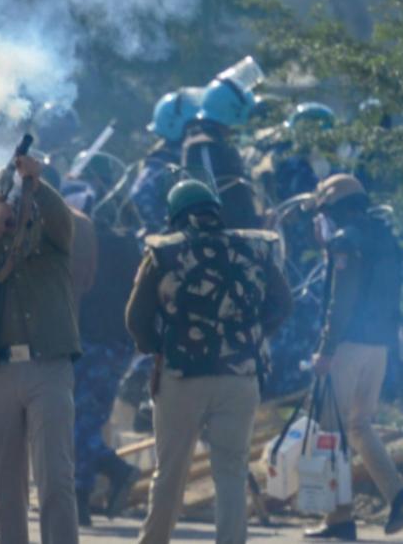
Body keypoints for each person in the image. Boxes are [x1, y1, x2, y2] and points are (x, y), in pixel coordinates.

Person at [126, 179, 292, 544]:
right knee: (231, 471)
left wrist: (158, 348)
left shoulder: (163, 251)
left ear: (176, 216)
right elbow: (283, 303)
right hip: (240, 376)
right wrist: (252, 338)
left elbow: (136, 318)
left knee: (170, 472)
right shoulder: (255, 247)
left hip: (181, 377)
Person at [0, 153, 81, 544]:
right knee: (6, 485)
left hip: (49, 367)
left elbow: (64, 225)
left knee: (55, 478)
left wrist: (37, 186)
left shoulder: (49, 238)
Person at [304, 174, 403, 540]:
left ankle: (339, 520)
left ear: (333, 208)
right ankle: (397, 494)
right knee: (360, 425)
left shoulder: (346, 242)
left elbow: (342, 301)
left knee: (331, 431)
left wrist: (326, 347)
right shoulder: (384, 238)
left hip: (347, 347)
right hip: (379, 347)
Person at [73, 181, 142, 527]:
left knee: (80, 425)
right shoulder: (128, 244)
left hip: (94, 344)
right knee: (84, 423)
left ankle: (84, 498)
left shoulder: (90, 243)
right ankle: (108, 475)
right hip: (114, 345)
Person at [182, 77, 262, 230]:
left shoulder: (218, 142)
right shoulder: (204, 146)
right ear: (231, 110)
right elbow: (210, 203)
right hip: (223, 245)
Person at [131, 89, 201, 234]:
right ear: (175, 126)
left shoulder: (190, 155)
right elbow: (140, 194)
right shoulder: (161, 163)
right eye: (193, 125)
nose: (198, 130)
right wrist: (171, 228)